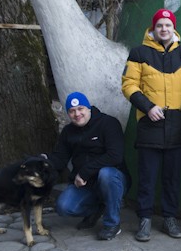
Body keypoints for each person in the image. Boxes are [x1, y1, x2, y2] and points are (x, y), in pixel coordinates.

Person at [121, 8, 181, 242]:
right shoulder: (139, 53)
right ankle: (144, 219)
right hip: (149, 125)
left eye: (168, 25)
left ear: (174, 28)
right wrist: (148, 107)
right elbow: (129, 85)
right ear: (153, 28)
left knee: (172, 178)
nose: (164, 29)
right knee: (147, 176)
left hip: (176, 127)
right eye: (160, 25)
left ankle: (170, 219)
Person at [46, 92, 130, 241]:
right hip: (85, 185)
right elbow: (60, 158)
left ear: (89, 108)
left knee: (106, 174)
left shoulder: (108, 123)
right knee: (63, 206)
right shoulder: (68, 132)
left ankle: (112, 224)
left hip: (113, 179)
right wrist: (44, 162)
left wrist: (85, 172)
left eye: (81, 109)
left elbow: (115, 156)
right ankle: (98, 208)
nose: (77, 114)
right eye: (72, 111)